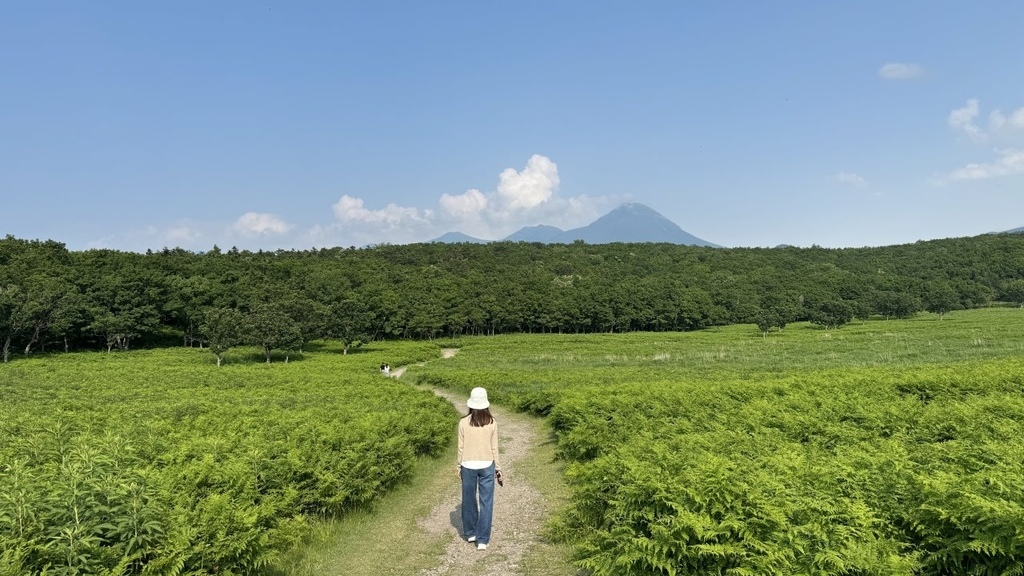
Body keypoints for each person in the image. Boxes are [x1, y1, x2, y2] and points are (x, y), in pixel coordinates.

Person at [457, 387, 502, 550]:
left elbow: (460, 448)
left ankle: (470, 533)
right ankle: (483, 539)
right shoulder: (492, 422)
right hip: (487, 465)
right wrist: (499, 468)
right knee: (486, 502)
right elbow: (494, 447)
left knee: (468, 500)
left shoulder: (463, 422)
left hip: (467, 465)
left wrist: (458, 466)